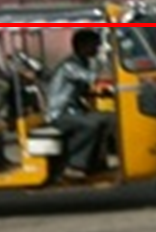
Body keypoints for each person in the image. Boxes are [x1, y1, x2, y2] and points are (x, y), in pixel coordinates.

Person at [41, 29, 114, 179]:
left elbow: (87, 88)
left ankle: (95, 161)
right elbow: (93, 79)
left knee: (109, 119)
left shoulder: (84, 62)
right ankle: (73, 164)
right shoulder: (70, 65)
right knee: (90, 125)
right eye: (94, 45)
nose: (96, 48)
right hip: (60, 114)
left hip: (74, 111)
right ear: (82, 45)